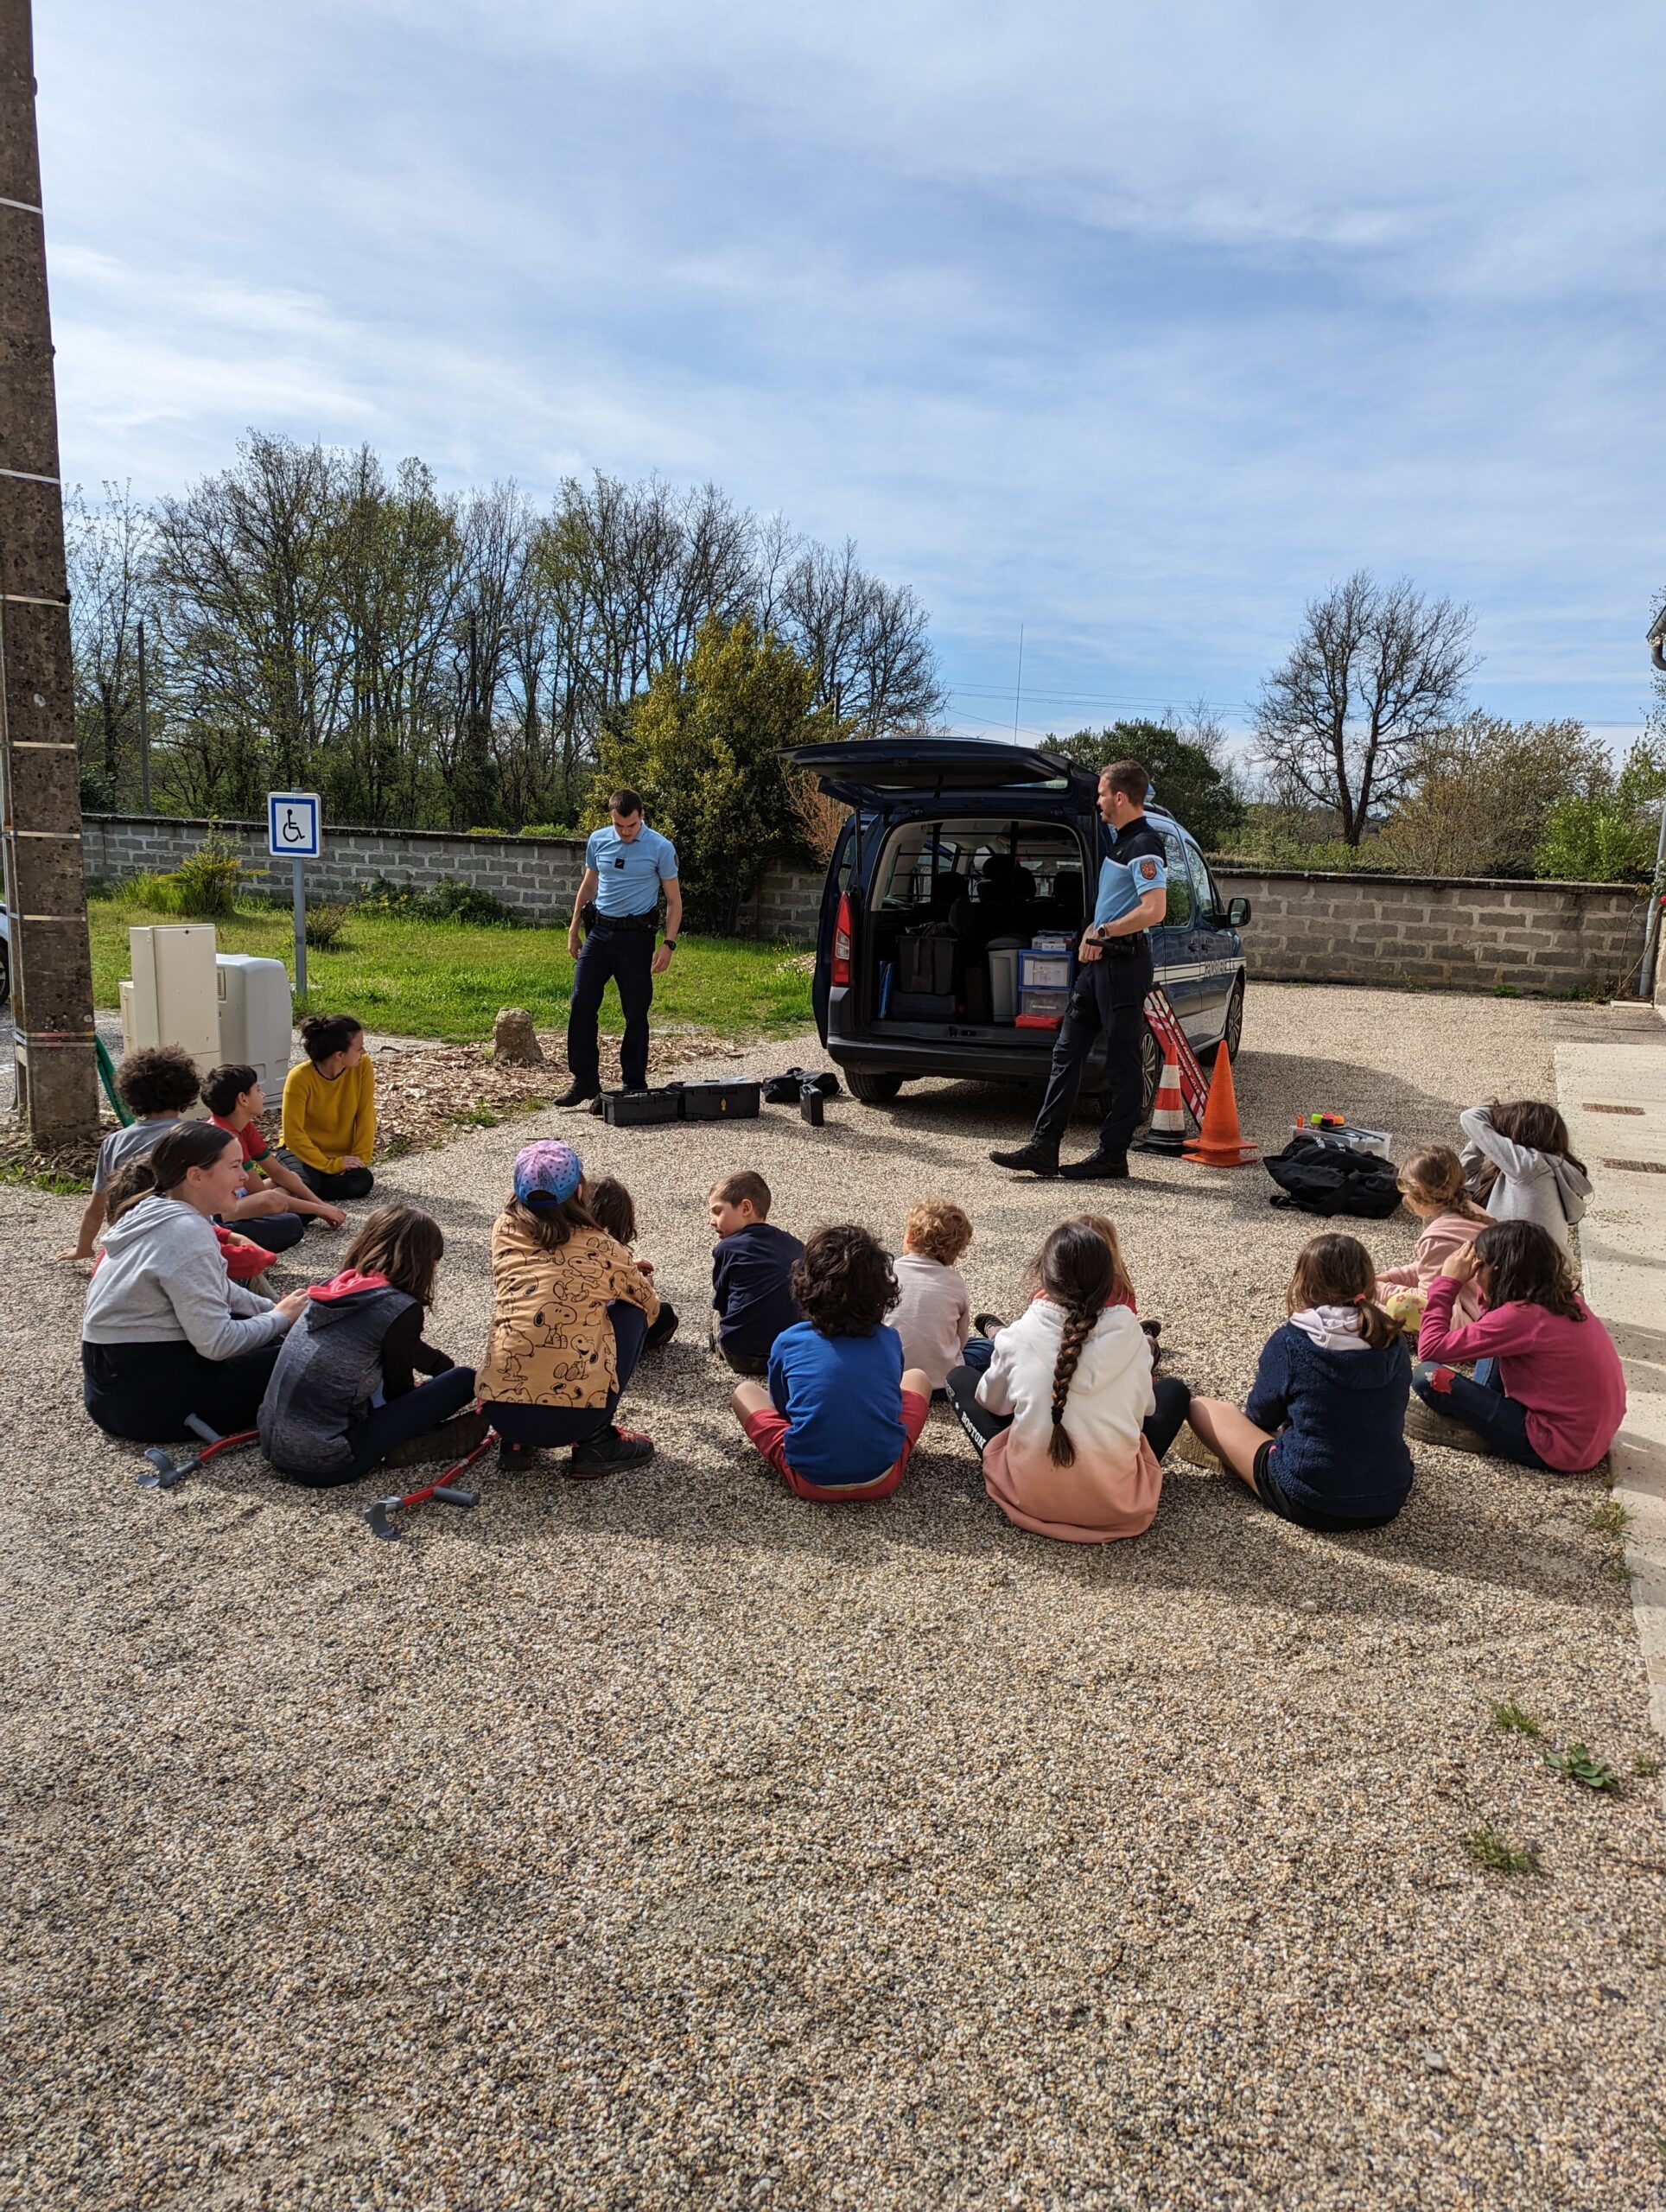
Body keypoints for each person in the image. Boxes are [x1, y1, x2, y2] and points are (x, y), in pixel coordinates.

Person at [944, 1218, 1190, 1543]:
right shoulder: (1131, 1333)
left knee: (959, 1378)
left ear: (1045, 1276)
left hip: (1028, 1496)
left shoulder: (1020, 1333)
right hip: (1116, 1506)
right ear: (1109, 1277)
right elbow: (1146, 1409)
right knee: (1175, 1392)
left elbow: (992, 1402)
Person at [990, 758, 1167, 1182]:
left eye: (1103, 794)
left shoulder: (1144, 845)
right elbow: (1117, 903)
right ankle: (1044, 1148)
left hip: (1123, 965)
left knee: (1122, 1065)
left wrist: (1103, 930)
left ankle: (1112, 1156)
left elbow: (1154, 909)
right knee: (1066, 1052)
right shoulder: (1121, 842)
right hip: (1099, 964)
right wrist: (1093, 928)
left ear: (1121, 797)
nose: (1099, 801)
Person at [80, 1122, 309, 1440]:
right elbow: (218, 1343)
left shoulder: (150, 1210)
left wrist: (274, 1309)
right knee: (314, 1360)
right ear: (196, 1176)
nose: (245, 1175)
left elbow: (220, 1289)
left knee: (274, 1336)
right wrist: (281, 1318)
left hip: (107, 1394)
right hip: (151, 1407)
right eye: (234, 1166)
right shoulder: (186, 1232)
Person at [1181, 1231, 1414, 1532]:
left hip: (1310, 1497)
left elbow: (1260, 1414)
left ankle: (1239, 1460)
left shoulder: (1293, 1340)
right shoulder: (1392, 1338)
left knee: (1202, 1407)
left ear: (1306, 1283)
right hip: (1390, 1495)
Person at [258, 1204, 482, 1488]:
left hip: (275, 1446)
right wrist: (449, 1378)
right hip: (330, 1460)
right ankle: (421, 1442)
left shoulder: (338, 1286)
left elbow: (405, 1346)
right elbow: (397, 1389)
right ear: (423, 1262)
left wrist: (441, 1367)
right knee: (465, 1381)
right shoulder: (400, 1308)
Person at [476, 1140, 660, 1475]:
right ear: (579, 1192)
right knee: (632, 1313)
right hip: (572, 1419)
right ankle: (596, 1439)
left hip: (500, 1412)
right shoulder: (603, 1246)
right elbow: (649, 1305)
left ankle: (517, 1445)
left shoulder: (503, 1228)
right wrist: (631, 1279)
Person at [729, 1224, 932, 1502]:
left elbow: (784, 1406)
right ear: (881, 1291)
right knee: (918, 1377)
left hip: (809, 1479)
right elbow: (892, 1399)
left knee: (744, 1392)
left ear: (806, 1286)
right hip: (883, 1476)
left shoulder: (788, 1341)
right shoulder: (889, 1338)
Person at [1406, 1220, 1625, 1472]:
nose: (1475, 1274)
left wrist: (1447, 1282)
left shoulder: (1520, 1318)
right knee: (1488, 1338)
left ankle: (1476, 1429)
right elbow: (1490, 1323)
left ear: (1497, 1270)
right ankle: (1482, 1420)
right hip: (1589, 1439)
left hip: (1556, 1445)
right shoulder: (1560, 1300)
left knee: (1427, 1375)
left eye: (1480, 1267)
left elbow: (1430, 1349)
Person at [556, 788, 683, 1107]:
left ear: (641, 815)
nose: (626, 832)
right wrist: (573, 928)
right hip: (599, 933)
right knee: (581, 1003)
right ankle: (585, 1081)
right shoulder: (598, 840)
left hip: (636, 939)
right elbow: (588, 884)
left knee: (635, 1012)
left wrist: (668, 944)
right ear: (611, 818)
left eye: (632, 825)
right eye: (619, 826)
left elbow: (674, 900)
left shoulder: (661, 848)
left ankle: (633, 1083)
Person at [59, 1045, 202, 1262]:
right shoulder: (193, 1136)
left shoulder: (115, 1142)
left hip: (129, 1237)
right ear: (187, 1091)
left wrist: (83, 1248)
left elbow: (97, 1206)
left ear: (132, 1095)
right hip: (184, 1232)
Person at [203, 1062, 347, 1253]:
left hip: (237, 1197)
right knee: (289, 1222)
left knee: (293, 1181)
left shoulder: (242, 1126)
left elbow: (277, 1171)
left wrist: (319, 1204)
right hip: (218, 1213)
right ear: (243, 1099)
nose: (262, 1095)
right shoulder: (226, 1138)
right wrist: (319, 1209)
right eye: (258, 1090)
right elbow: (261, 1195)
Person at [1374, 1146, 1489, 1333]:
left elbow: (1430, 1298)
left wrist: (1378, 1289)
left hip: (1476, 1323)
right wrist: (1391, 1277)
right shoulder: (1473, 1211)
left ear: (1418, 1193)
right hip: (1488, 1310)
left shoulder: (1437, 1237)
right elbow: (1434, 1268)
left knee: (1400, 1305)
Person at [1459, 1099, 1591, 1257]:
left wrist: (1496, 1117)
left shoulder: (1530, 1167)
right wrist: (1481, 1139)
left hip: (1518, 1271)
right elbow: (1466, 1181)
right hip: (1543, 1272)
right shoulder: (1545, 1171)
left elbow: (1470, 1117)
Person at [708, 1171, 804, 1376]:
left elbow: (721, 1303)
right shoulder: (795, 1245)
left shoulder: (727, 1248)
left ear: (745, 1208)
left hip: (741, 1355)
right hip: (791, 1353)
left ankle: (718, 1344)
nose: (712, 1221)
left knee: (715, 1311)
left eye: (717, 1212)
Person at [280, 1015, 377, 1202]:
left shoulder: (362, 1066)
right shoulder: (299, 1077)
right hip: (300, 1152)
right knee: (308, 1184)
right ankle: (295, 1187)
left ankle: (290, 1186)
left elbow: (366, 1114)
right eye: (359, 1048)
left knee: (361, 1181)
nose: (364, 1052)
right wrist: (328, 1166)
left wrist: (359, 1160)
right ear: (340, 1055)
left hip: (339, 1157)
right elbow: (293, 1134)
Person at [890, 1198, 974, 1395]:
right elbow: (960, 1338)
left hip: (893, 1376)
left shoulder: (888, 1272)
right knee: (983, 1349)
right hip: (943, 1383)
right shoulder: (955, 1282)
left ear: (910, 1236)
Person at [584, 1175, 678, 1349]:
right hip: (594, 1345)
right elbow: (646, 1301)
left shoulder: (562, 1243)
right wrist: (645, 1284)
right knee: (664, 1314)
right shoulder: (610, 1250)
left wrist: (629, 1267)